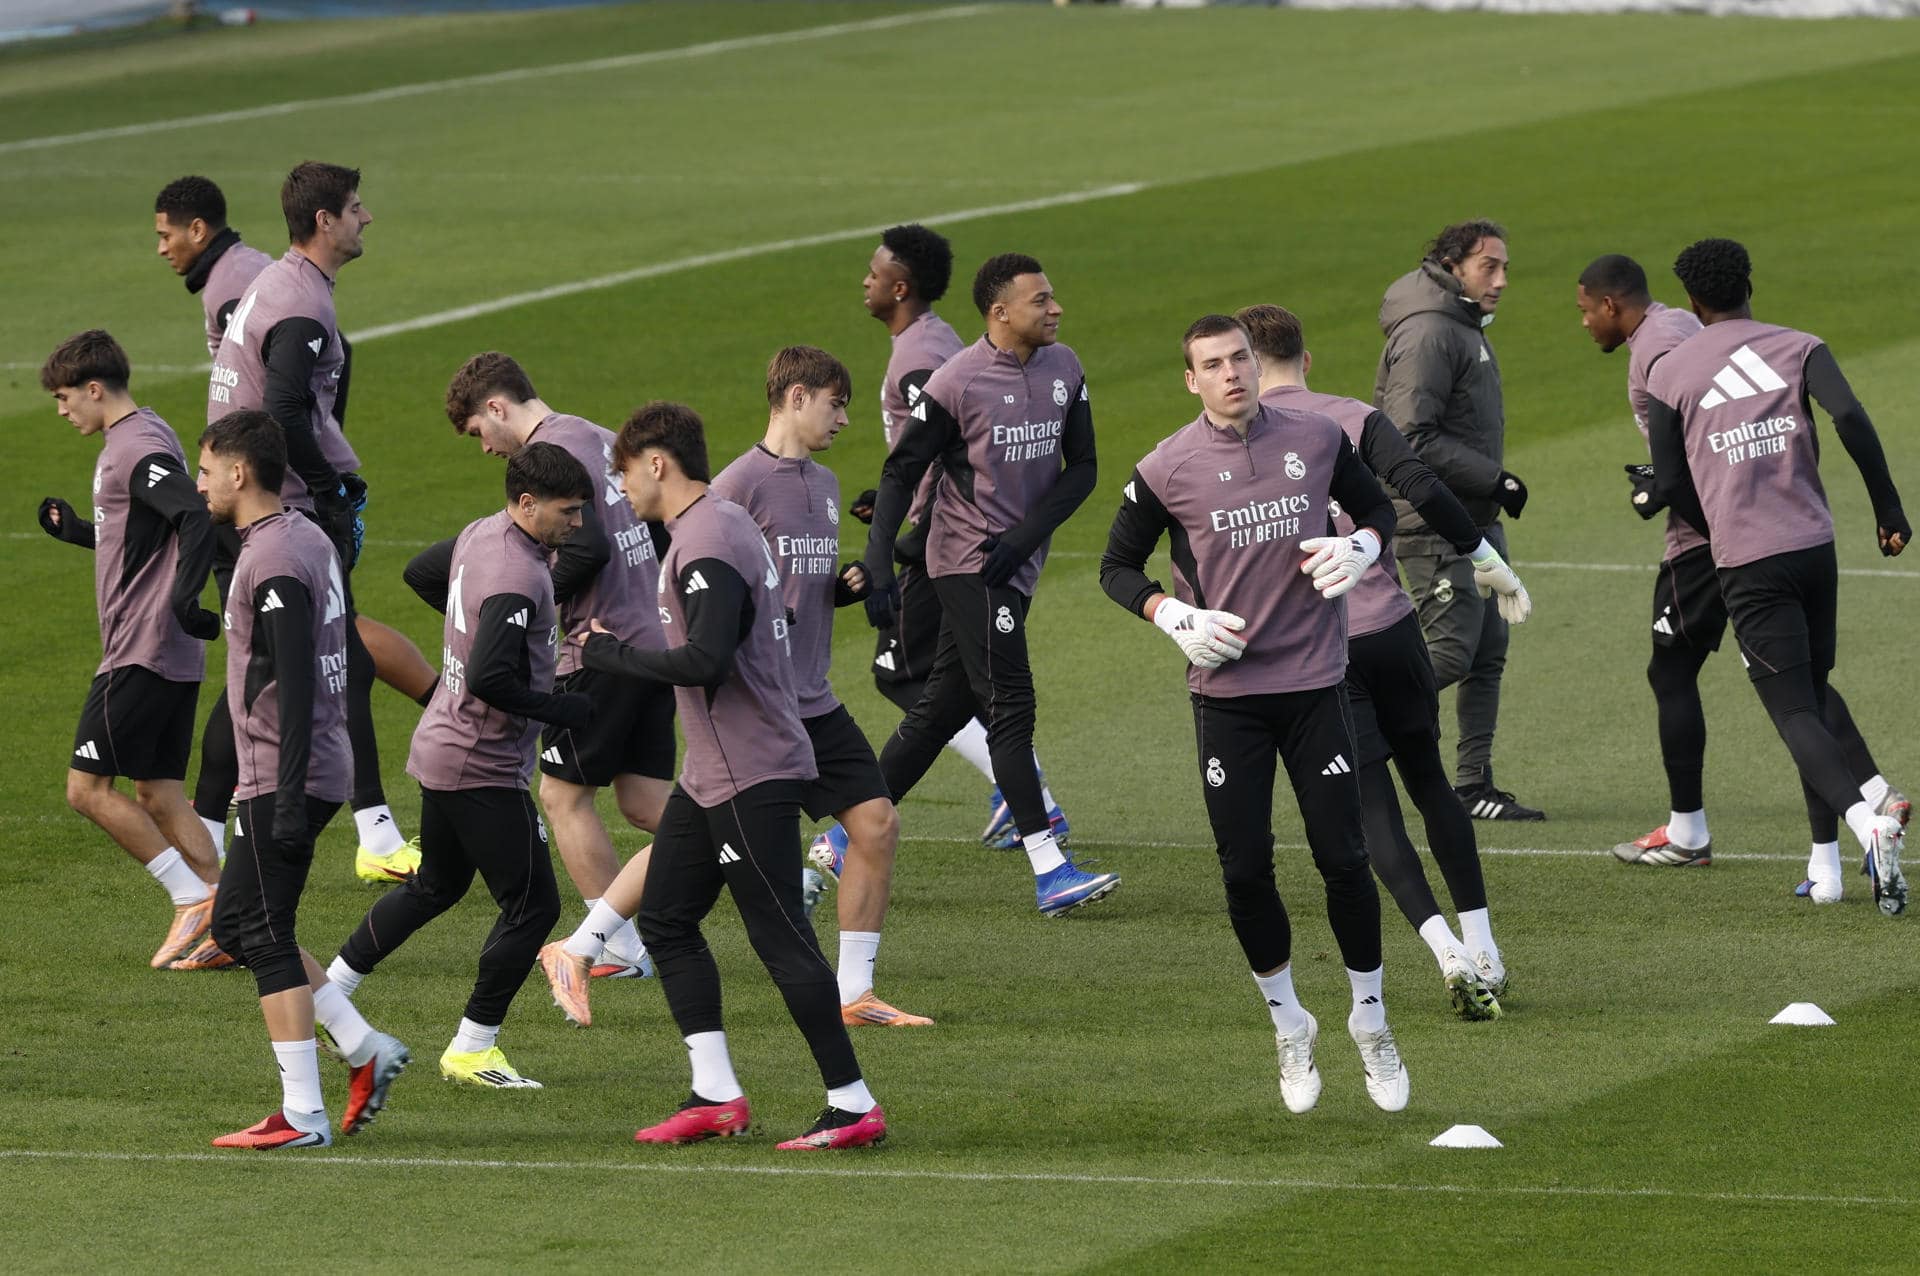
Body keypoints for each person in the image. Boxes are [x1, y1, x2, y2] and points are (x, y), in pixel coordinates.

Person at [1100, 314, 1409, 1112]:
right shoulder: (1167, 468)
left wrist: (1365, 549)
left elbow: (1381, 511)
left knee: (1343, 858)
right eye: (1213, 363)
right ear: (1191, 380)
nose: (1232, 372)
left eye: (1240, 357)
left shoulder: (1316, 436)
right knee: (1244, 868)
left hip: (1315, 685)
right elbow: (1114, 567)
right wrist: (1174, 618)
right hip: (1229, 700)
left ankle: (1371, 1021)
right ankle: (1289, 1026)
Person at [579, 401, 887, 1150]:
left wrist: (608, 654)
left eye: (622, 472)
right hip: (711, 773)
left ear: (657, 463)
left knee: (781, 939)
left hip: (750, 772)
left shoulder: (710, 539)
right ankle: (715, 1093)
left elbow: (708, 661)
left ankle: (852, 1103)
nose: (620, 488)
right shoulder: (712, 525)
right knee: (668, 918)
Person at [1239, 304, 1529, 1018]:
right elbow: (1423, 487)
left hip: (1319, 652)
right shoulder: (1350, 415)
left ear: (1242, 367)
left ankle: (1445, 954)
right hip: (1392, 631)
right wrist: (1485, 557)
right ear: (1305, 359)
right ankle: (1484, 945)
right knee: (1431, 780)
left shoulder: (1233, 443)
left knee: (1374, 812)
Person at [1645, 237, 1911, 913]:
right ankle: (1824, 868)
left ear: (1695, 301)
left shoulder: (1671, 372)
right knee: (1815, 696)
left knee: (1792, 709)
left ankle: (1863, 824)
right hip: (1813, 545)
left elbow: (1671, 482)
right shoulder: (1800, 345)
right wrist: (1888, 508)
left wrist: (1720, 531)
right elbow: (1848, 415)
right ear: (1748, 285)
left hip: (1748, 559)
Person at [323, 443, 594, 1089]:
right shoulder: (520, 577)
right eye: (568, 511)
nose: (578, 524)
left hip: (441, 746)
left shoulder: (483, 533)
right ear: (528, 503)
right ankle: (474, 1049)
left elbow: (423, 573)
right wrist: (561, 708)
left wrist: (465, 629)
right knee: (533, 907)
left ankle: (327, 993)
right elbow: (491, 676)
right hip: (480, 764)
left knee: (437, 886)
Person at [860, 252, 1111, 916]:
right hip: (963, 561)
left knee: (940, 709)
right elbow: (898, 473)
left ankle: (838, 838)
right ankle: (1049, 868)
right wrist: (880, 563)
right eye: (1041, 300)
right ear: (1001, 313)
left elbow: (1083, 468)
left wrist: (1024, 539)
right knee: (1010, 701)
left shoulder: (1066, 367)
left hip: (1013, 562)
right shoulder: (956, 382)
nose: (1055, 309)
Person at [424, 353, 669, 1011]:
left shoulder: (554, 453)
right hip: (649, 633)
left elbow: (587, 550)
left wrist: (527, 612)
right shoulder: (590, 432)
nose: (485, 448)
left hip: (601, 647)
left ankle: (608, 946)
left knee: (562, 797)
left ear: (498, 408)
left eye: (480, 431)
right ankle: (766, 862)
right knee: (648, 803)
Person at [195, 409, 410, 1149]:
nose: (200, 485)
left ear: (238, 471)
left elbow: (295, 679)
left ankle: (303, 1115)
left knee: (262, 930)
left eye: (204, 470)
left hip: (288, 771)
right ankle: (363, 1048)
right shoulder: (302, 537)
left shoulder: (276, 559)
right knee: (237, 924)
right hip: (302, 765)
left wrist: (285, 799)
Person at [204, 161, 421, 887]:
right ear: (324, 220)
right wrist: (327, 491)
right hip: (281, 510)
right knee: (305, 668)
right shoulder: (298, 302)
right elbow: (289, 406)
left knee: (288, 665)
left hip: (260, 502)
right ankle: (362, 831)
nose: (366, 218)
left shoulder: (282, 284)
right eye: (356, 207)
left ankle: (222, 834)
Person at [702, 346, 929, 1027]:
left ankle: (852, 994)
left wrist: (841, 588)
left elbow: (794, 589)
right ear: (795, 398)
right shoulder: (735, 487)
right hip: (757, 705)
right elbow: (704, 590)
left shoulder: (827, 487)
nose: (846, 419)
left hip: (814, 698)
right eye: (835, 403)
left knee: (876, 823)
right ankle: (592, 939)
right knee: (704, 852)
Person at [846, 223, 1069, 852]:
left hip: (952, 541)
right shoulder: (935, 342)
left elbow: (940, 454)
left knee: (914, 677)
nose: (865, 281)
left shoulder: (922, 360)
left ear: (900, 285)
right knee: (941, 691)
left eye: (874, 271)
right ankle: (846, 841)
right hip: (956, 539)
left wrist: (902, 541)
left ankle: (1028, 804)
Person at [36, 329, 222, 969]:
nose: (63, 411)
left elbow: (193, 517)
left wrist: (184, 603)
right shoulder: (149, 432)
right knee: (160, 794)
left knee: (86, 789)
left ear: (94, 388)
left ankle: (190, 898)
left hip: (139, 648)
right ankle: (228, 917)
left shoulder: (135, 448)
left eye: (65, 398)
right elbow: (145, 536)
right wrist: (82, 532)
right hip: (164, 650)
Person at [1376, 219, 1542, 821]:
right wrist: (1493, 477)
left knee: (1489, 647)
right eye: (1487, 267)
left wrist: (1488, 489)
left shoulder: (1460, 322)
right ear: (1451, 265)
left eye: (1504, 268)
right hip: (1432, 518)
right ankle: (1350, 733)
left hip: (1473, 518)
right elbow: (1408, 436)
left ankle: (1473, 785)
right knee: (1448, 653)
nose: (1500, 280)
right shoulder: (1430, 333)